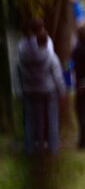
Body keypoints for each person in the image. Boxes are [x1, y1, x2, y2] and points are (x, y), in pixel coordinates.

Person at [15, 18, 68, 154]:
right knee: (51, 118)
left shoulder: (21, 49)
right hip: (47, 89)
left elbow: (18, 71)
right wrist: (62, 90)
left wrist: (19, 90)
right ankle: (53, 147)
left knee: (31, 120)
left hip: (29, 89)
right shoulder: (48, 51)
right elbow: (56, 72)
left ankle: (31, 148)